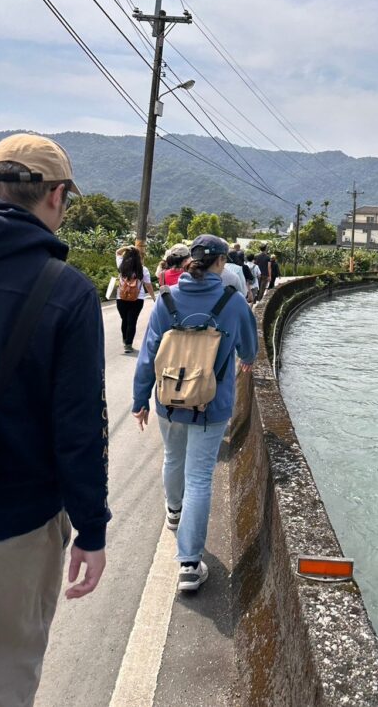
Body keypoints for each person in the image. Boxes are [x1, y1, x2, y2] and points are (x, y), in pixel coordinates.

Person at [0, 134, 110, 707]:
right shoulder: (66, 291)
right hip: (15, 525)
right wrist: (92, 528)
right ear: (57, 196)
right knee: (6, 674)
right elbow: (79, 429)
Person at [132, 235, 257, 591]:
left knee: (173, 457)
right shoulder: (233, 302)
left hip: (169, 400)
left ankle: (174, 512)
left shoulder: (166, 300)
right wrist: (245, 359)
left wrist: (140, 400)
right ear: (220, 262)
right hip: (211, 404)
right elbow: (249, 349)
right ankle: (189, 564)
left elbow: (148, 356)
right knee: (200, 477)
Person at [115, 246, 155, 353]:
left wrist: (126, 247)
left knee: (125, 319)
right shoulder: (143, 269)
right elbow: (148, 285)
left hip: (121, 297)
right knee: (132, 321)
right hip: (137, 298)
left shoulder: (122, 265)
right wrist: (153, 298)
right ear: (138, 257)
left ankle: (125, 339)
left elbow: (118, 252)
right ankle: (128, 344)